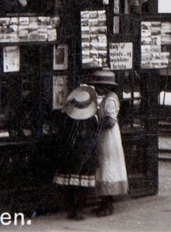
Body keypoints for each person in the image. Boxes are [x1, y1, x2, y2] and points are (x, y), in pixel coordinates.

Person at [52, 85, 99, 220]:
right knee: (82, 184)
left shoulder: (68, 118)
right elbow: (95, 136)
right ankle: (78, 209)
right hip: (84, 153)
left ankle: (72, 209)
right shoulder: (91, 120)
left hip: (72, 153)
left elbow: (62, 134)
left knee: (71, 183)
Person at [89, 69, 128, 216]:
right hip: (105, 136)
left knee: (108, 168)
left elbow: (110, 121)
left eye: (99, 86)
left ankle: (108, 204)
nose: (98, 89)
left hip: (109, 137)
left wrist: (96, 124)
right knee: (104, 167)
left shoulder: (111, 99)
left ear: (106, 86)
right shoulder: (107, 97)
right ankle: (104, 203)